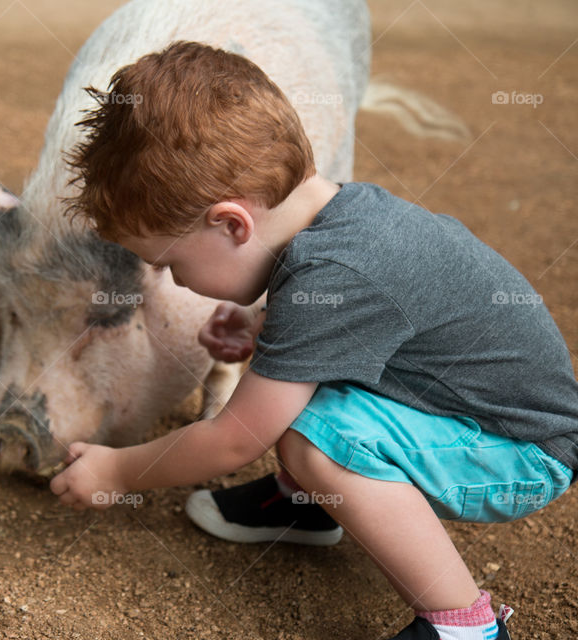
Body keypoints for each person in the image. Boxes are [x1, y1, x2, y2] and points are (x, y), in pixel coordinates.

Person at [49, 40, 578, 639]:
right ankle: (306, 505)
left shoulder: (338, 272)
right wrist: (261, 327)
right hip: (479, 417)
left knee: (308, 435)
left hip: (517, 453)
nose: (176, 281)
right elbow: (357, 326)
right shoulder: (342, 220)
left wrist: (117, 474)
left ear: (231, 223)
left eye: (171, 264)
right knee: (301, 407)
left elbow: (233, 440)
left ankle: (464, 624)